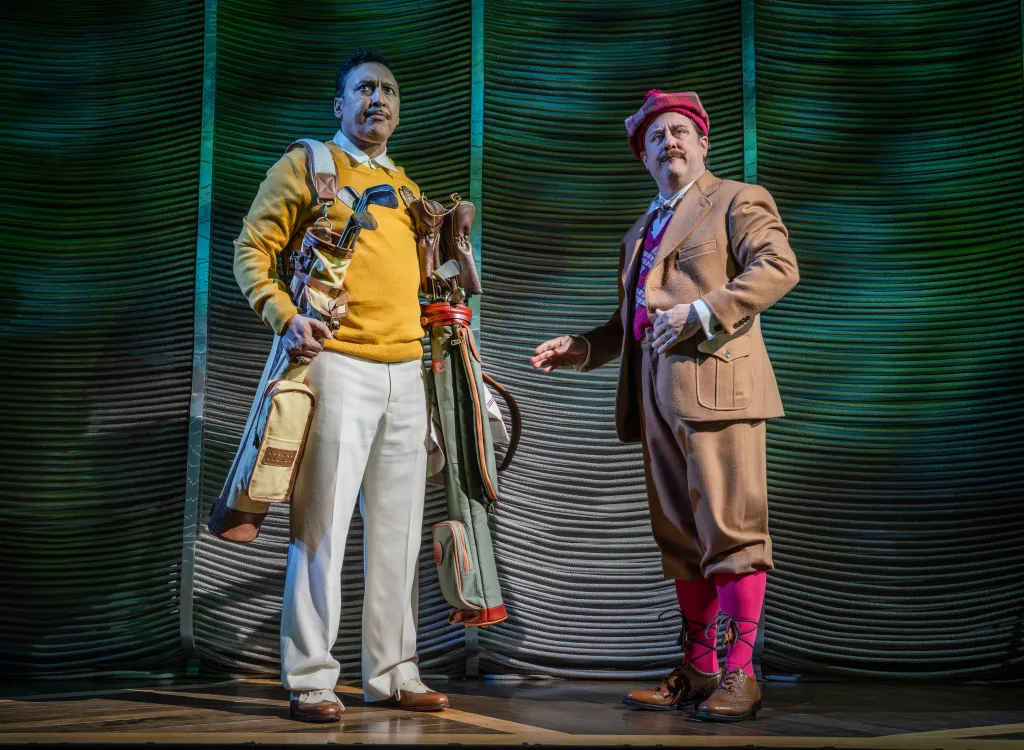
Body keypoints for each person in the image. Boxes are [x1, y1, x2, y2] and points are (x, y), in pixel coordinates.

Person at [530, 89, 799, 722]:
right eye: (656, 137)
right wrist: (585, 346)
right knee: (680, 540)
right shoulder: (639, 232)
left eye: (680, 131)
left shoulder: (735, 199)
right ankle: (700, 670)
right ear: (643, 156)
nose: (669, 142)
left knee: (733, 536)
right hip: (657, 407)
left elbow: (778, 265)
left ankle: (741, 673)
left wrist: (702, 312)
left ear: (703, 142)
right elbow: (632, 323)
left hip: (721, 391)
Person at [233, 49, 448, 722]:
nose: (376, 99)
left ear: (398, 107)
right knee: (319, 529)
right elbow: (250, 250)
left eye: (387, 90)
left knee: (399, 532)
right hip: (336, 364)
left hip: (407, 371)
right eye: (363, 89)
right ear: (340, 104)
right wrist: (285, 315)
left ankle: (393, 673)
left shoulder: (410, 190)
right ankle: (312, 679)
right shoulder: (308, 166)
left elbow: (424, 282)